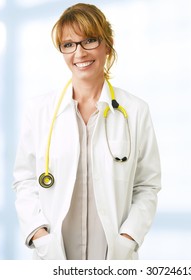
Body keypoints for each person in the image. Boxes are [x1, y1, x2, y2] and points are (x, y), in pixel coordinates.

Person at [12, 3, 161, 260]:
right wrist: (39, 235)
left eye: (89, 40)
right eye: (69, 44)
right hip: (55, 254)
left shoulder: (135, 111)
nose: (79, 53)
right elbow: (24, 181)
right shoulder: (39, 111)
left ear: (107, 43)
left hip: (112, 256)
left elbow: (147, 185)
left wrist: (128, 238)